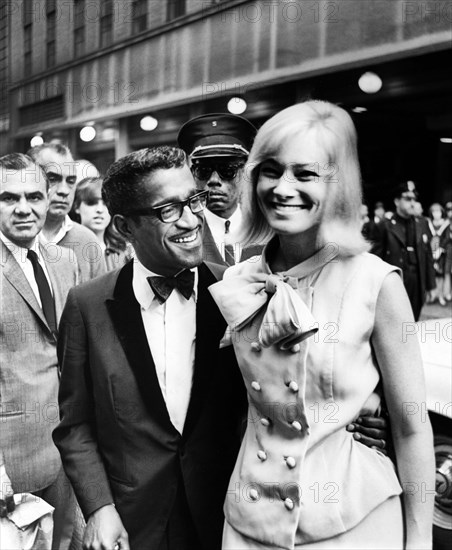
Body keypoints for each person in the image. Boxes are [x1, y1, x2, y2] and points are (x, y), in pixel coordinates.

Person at [53, 146, 387, 550]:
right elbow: (75, 426)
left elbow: (291, 390)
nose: (192, 219)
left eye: (193, 200)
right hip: (131, 522)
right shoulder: (85, 305)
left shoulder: (237, 292)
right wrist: (99, 507)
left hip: (228, 517)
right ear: (124, 228)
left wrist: (360, 419)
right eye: (168, 210)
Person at [209, 101, 434, 549]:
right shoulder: (239, 281)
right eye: (270, 170)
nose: (281, 187)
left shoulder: (374, 281)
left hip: (353, 521)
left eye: (305, 174)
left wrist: (421, 540)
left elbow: (412, 426)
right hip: (249, 523)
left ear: (338, 185)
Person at [0, 153, 79, 549]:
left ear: (49, 200)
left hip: (68, 456)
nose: (23, 208)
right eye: (9, 197)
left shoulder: (65, 260)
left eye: (34, 195)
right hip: (11, 464)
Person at [178, 113, 263, 265]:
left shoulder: (266, 229)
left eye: (227, 171)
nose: (214, 181)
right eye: (203, 171)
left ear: (246, 173)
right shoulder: (181, 231)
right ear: (193, 175)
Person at [27, 143, 106, 282]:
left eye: (70, 181)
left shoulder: (88, 241)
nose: (64, 190)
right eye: (53, 179)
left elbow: (101, 300)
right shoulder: (13, 236)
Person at [371, 180, 436, 320]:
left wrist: (430, 285)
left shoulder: (422, 223)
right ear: (397, 201)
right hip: (396, 282)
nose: (412, 202)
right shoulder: (385, 226)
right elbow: (375, 260)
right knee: (395, 323)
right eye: (407, 198)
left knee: (413, 322)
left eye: (414, 199)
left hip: (417, 281)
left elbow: (428, 255)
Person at [72, 177, 134, 271]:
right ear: (76, 206)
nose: (99, 210)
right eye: (91, 203)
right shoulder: (67, 249)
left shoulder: (125, 251)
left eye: (106, 204)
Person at [427, 202, 448, 305]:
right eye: (434, 212)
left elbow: (447, 238)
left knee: (440, 275)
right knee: (431, 275)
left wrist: (440, 249)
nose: (436, 214)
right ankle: (432, 295)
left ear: (442, 212)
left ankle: (440, 296)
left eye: (438, 211)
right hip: (430, 253)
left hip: (441, 254)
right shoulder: (428, 223)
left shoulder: (446, 224)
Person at [441, 201, 452, 302]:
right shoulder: (445, 223)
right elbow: (441, 238)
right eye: (449, 210)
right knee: (447, 271)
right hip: (448, 251)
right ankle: (447, 292)